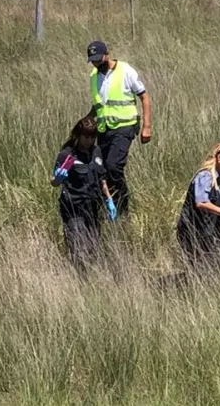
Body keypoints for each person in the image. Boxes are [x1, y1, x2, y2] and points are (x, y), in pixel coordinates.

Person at [86, 40, 152, 220]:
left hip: (125, 127)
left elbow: (144, 97)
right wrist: (85, 123)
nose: (97, 63)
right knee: (101, 170)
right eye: (93, 61)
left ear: (107, 55)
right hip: (103, 129)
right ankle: (109, 206)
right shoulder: (94, 76)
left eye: (99, 59)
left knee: (114, 166)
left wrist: (146, 127)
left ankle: (123, 206)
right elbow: (99, 105)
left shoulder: (125, 71)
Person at [51, 115, 118, 273]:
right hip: (73, 207)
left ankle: (90, 277)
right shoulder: (67, 155)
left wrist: (109, 201)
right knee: (78, 247)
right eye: (86, 137)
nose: (89, 140)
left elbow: (102, 179)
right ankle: (79, 277)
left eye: (92, 137)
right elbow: (54, 181)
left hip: (92, 207)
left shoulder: (96, 152)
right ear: (79, 135)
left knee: (93, 247)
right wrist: (58, 178)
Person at [176, 143, 220, 265]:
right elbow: (202, 203)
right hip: (192, 230)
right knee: (201, 265)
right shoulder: (205, 176)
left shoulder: (216, 179)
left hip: (203, 231)